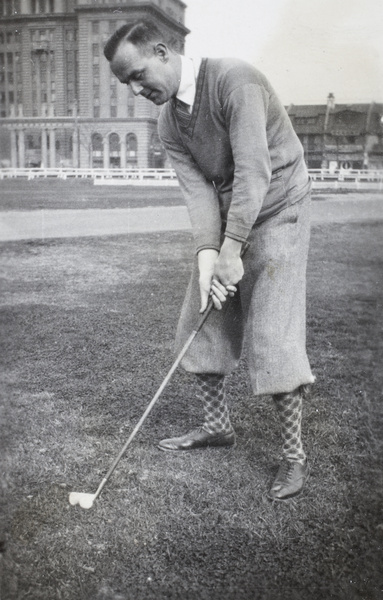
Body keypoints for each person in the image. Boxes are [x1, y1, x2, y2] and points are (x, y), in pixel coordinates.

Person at [104, 20, 315, 500]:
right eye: (126, 84)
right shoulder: (167, 121)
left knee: (273, 330)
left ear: (163, 51)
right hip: (231, 211)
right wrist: (208, 257)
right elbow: (199, 193)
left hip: (282, 206)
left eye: (138, 75)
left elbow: (254, 169)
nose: (136, 90)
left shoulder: (234, 81)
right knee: (202, 315)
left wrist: (234, 249)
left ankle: (293, 457)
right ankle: (217, 427)